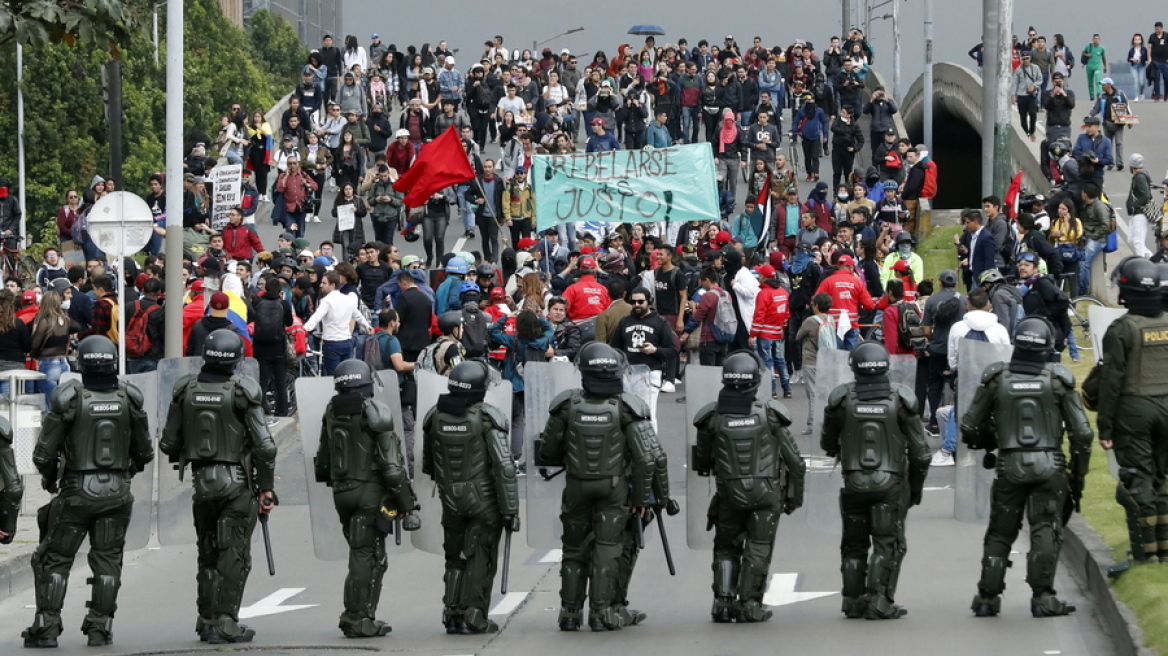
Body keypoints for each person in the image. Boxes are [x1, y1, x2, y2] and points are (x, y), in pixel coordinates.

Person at [22, 336, 149, 648]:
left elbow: (43, 454)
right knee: (108, 559)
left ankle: (47, 627)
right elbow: (144, 451)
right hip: (117, 490)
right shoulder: (129, 399)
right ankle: (100, 627)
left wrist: (50, 480)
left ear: (80, 363)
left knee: (54, 559)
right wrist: (127, 472)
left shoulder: (70, 399)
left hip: (77, 490)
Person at [962, 316, 1093, 617]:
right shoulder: (1058, 380)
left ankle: (986, 597)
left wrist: (991, 440)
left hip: (1010, 463)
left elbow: (970, 426)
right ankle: (1043, 597)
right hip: (1050, 464)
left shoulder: (997, 379)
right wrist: (1079, 470)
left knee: (1000, 531)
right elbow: (1083, 433)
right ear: (1047, 346)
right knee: (1046, 527)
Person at [160, 330, 277, 644]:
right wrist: (266, 488)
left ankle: (207, 619)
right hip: (238, 483)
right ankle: (225, 621)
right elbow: (265, 447)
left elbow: (168, 442)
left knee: (208, 553)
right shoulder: (243, 391)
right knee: (234, 554)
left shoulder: (185, 389)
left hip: (203, 483)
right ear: (237, 358)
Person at [538, 342, 656, 631]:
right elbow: (647, 458)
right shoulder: (628, 407)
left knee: (574, 548)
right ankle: (603, 613)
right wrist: (643, 497)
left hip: (577, 485)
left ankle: (569, 613)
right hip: (614, 487)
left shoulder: (566, 405)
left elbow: (548, 453)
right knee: (608, 546)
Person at [693, 351, 805, 623]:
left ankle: (722, 602)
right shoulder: (770, 414)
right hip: (767, 492)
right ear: (756, 381)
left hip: (729, 492)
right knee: (759, 547)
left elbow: (703, 463)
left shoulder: (711, 417)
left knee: (725, 547)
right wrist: (795, 499)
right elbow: (796, 463)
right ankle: (750, 605)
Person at [821, 341, 930, 620]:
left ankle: (853, 600)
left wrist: (839, 450)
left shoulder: (841, 399)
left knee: (854, 544)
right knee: (888, 542)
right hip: (891, 484)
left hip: (854, 482)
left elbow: (827, 442)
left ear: (854, 368)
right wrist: (915, 488)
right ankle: (879, 600)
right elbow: (921, 453)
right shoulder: (901, 399)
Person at [314, 359, 418, 637]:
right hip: (369, 492)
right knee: (367, 556)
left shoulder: (332, 410)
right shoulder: (376, 411)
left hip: (342, 491)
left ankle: (361, 615)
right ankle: (357, 617)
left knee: (365, 553)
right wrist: (409, 505)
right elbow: (393, 469)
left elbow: (323, 460)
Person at [422, 360, 518, 634]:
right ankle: (475, 616)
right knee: (481, 558)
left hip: (450, 498)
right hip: (483, 500)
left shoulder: (434, 417)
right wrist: (511, 509)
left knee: (455, 557)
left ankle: (452, 614)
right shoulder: (487, 418)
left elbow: (428, 464)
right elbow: (504, 466)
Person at [1088, 257, 1168, 569]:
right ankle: (1164, 552)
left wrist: (1105, 428)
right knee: (1162, 479)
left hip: (1135, 411)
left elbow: (1111, 382)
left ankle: (1147, 555)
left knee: (1140, 482)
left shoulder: (1122, 329)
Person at [609, 286, 677, 431]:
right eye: (633, 302)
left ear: (649, 301)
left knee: (648, 414)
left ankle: (651, 449)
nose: (637, 305)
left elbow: (672, 351)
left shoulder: (660, 322)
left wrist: (655, 350)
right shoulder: (624, 322)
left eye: (641, 302)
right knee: (627, 413)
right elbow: (615, 348)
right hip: (629, 373)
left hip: (651, 372)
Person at [921, 270, 964, 432]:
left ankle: (934, 421)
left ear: (939, 283)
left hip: (938, 349)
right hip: (958, 350)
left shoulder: (932, 300)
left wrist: (934, 340)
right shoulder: (964, 300)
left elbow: (926, 330)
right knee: (960, 385)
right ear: (956, 283)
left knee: (934, 385)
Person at [750, 264, 792, 398]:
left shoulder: (763, 294)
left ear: (763, 277)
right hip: (778, 333)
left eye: (759, 275)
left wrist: (752, 335)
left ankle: (771, 390)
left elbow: (759, 316)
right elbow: (786, 314)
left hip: (765, 334)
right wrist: (782, 328)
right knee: (780, 360)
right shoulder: (783, 292)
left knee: (767, 361)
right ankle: (787, 389)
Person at [795, 293, 834, 435]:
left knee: (812, 393)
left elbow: (798, 336)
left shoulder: (811, 321)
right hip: (826, 360)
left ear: (816, 306)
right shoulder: (831, 319)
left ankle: (812, 424)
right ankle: (826, 422)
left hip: (811, 360)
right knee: (825, 392)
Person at [1125, 154, 1155, 258]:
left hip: (1140, 213)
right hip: (1137, 213)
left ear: (1132, 166)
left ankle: (1143, 263)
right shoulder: (1139, 176)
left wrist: (1134, 205)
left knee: (1138, 242)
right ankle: (1151, 258)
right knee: (1131, 239)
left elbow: (1145, 196)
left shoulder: (1140, 177)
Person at [1081, 34, 1107, 100]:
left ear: (1099, 39)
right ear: (1092, 39)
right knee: (1090, 82)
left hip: (1097, 66)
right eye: (1095, 38)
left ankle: (1099, 94)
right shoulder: (1088, 46)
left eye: (1097, 38)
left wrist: (1105, 66)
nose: (1096, 40)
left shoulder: (1102, 48)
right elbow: (1083, 53)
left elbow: (1103, 57)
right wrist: (1087, 54)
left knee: (1098, 80)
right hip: (1089, 66)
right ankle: (1091, 96)